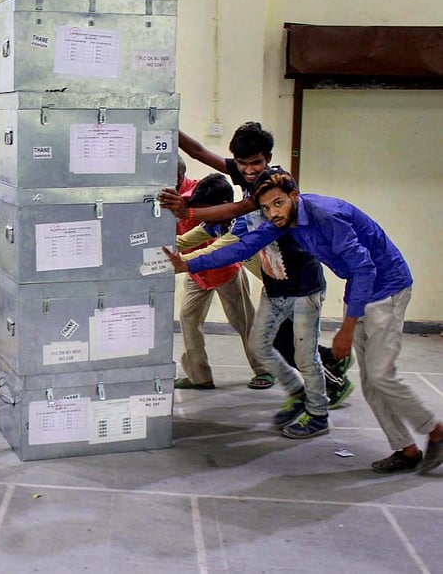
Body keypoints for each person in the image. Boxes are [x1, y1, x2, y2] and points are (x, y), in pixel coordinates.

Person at [164, 167, 443, 472]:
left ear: (293, 196)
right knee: (371, 382)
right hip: (361, 292)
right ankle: (407, 449)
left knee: (380, 375)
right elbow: (241, 247)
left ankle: (436, 431)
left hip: (388, 287)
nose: (272, 213)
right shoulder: (282, 220)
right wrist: (186, 266)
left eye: (278, 203)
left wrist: (346, 328)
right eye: (267, 207)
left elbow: (365, 269)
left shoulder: (327, 215)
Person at [159, 122, 354, 408]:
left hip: (299, 278)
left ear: (268, 159)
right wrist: (166, 125)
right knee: (279, 340)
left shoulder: (275, 184)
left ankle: (330, 387)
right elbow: (200, 152)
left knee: (287, 344)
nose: (249, 170)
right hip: (274, 278)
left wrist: (187, 216)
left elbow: (234, 218)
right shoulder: (240, 195)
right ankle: (331, 363)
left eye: (256, 163)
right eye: (242, 164)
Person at [174, 172, 272, 390]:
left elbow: (213, 251)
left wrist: (175, 263)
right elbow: (183, 241)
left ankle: (266, 370)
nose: (202, 216)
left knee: (246, 322)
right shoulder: (214, 223)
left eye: (207, 211)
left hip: (228, 271)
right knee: (188, 318)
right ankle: (199, 376)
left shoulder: (241, 224)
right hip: (197, 272)